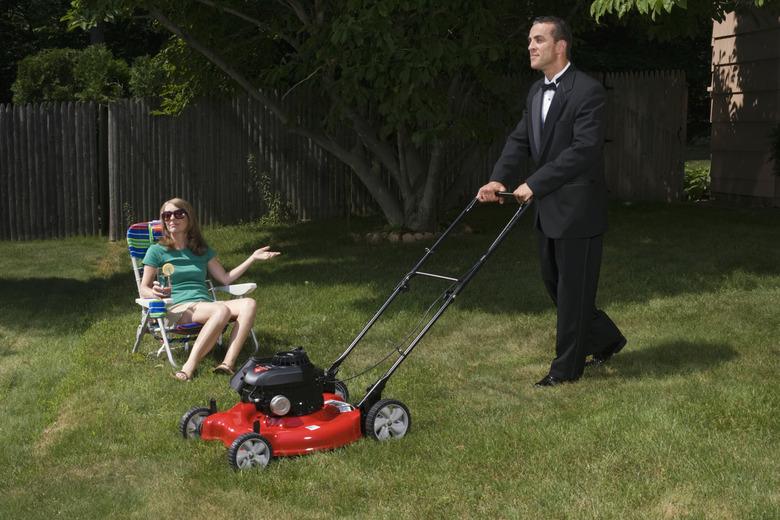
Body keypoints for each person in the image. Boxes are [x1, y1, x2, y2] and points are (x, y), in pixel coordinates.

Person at [477, 16, 625, 387]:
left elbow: (584, 150)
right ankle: (607, 337)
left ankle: (565, 370)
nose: (531, 46)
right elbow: (520, 141)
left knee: (573, 292)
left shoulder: (587, 91)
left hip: (579, 212)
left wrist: (536, 183)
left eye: (539, 39)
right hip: (547, 212)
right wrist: (499, 178)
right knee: (556, 286)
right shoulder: (534, 92)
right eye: (529, 39)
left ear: (560, 46)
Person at [139, 198, 280, 381]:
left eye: (178, 213)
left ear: (189, 218)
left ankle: (227, 364)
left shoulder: (201, 250)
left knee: (248, 304)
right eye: (167, 215)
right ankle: (188, 368)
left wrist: (252, 258)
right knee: (220, 309)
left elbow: (225, 278)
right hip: (177, 307)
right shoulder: (157, 250)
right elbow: (144, 288)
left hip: (204, 306)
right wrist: (154, 292)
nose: (172, 218)